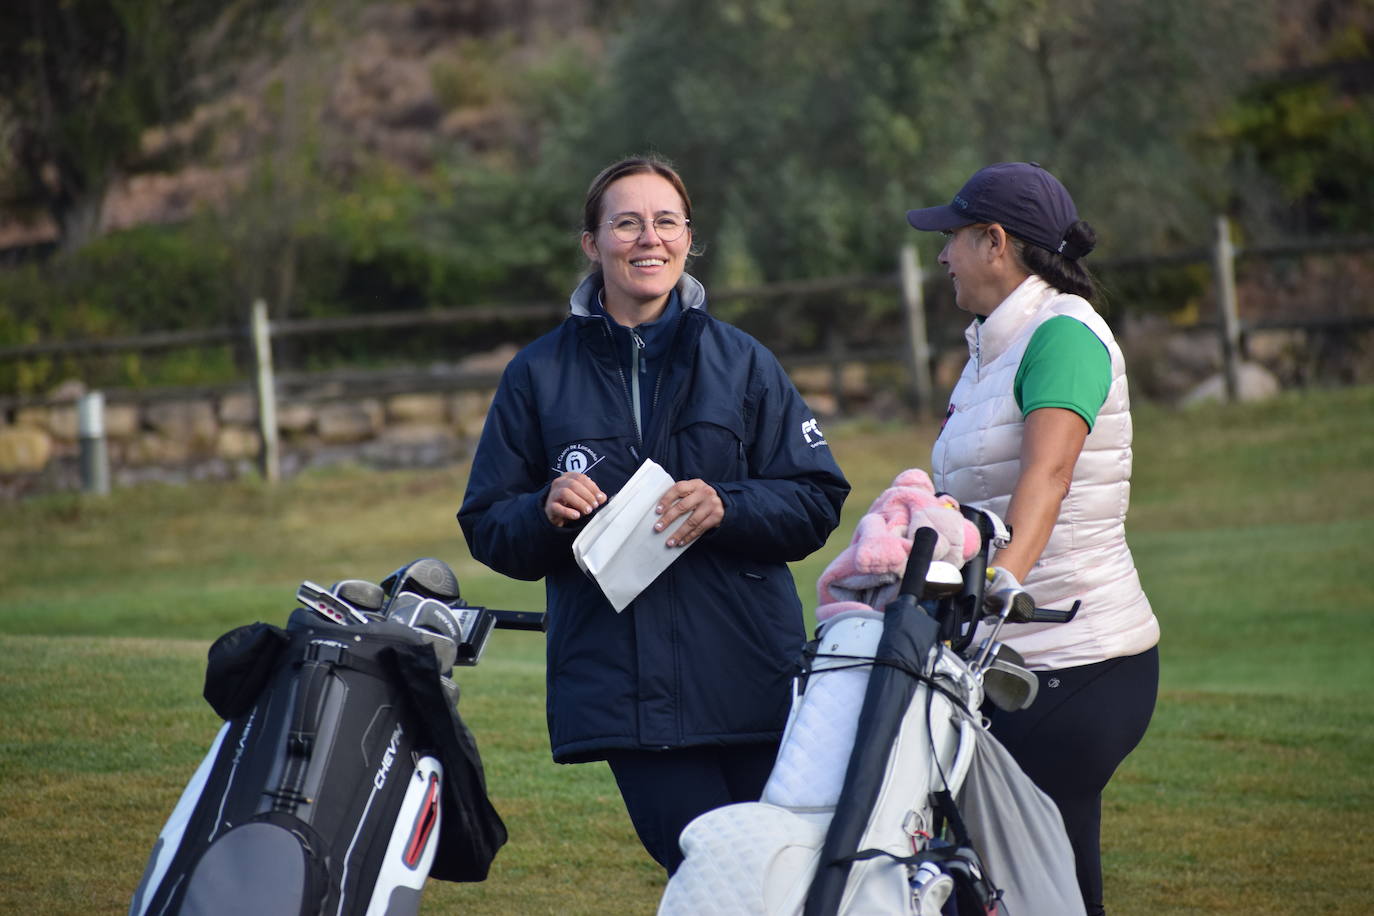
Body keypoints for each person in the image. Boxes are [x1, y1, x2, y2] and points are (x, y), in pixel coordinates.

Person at [457, 155, 849, 875]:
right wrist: (545, 511)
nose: (649, 239)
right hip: (627, 698)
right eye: (627, 223)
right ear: (591, 243)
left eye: (666, 222)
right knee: (716, 877)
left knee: (792, 882)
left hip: (752, 682)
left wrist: (728, 504)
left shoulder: (746, 363)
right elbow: (486, 524)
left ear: (688, 238)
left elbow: (817, 499)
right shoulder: (536, 374)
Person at [906, 162, 1160, 916]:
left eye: (952, 239)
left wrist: (1001, 580)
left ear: (995, 242)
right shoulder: (991, 350)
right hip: (1008, 653)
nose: (941, 256)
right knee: (1022, 879)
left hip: (1075, 661)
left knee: (1016, 875)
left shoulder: (1064, 335)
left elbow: (1046, 479)